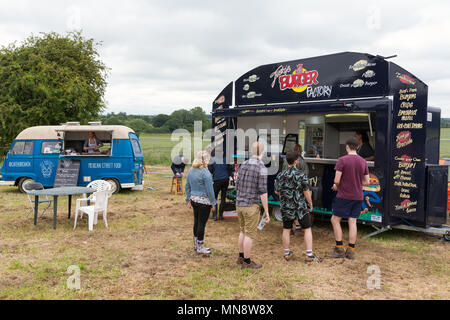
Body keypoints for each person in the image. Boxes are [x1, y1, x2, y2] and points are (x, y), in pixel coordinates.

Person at [275, 152, 321, 263]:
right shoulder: (301, 175)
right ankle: (309, 255)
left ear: (286, 161)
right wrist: (310, 202)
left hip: (286, 206)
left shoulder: (280, 175)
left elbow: (277, 191)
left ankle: (286, 253)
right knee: (307, 228)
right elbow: (306, 191)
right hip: (300, 207)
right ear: (296, 161)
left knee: (286, 229)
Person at [331, 137, 370, 260]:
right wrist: (356, 183)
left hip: (344, 195)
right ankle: (351, 251)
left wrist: (336, 185)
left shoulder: (342, 160)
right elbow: (367, 181)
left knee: (335, 220)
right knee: (352, 221)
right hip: (358, 196)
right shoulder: (363, 161)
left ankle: (339, 248)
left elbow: (337, 180)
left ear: (347, 146)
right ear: (357, 147)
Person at [235, 142, 270, 269]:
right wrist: (266, 211)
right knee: (249, 234)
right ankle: (247, 261)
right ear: (262, 152)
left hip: (240, 203)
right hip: (251, 205)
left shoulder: (243, 164)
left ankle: (240, 256)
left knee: (243, 231)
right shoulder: (261, 167)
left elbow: (237, 184)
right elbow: (263, 192)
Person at [185, 151, 217, 255]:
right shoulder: (205, 173)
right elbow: (210, 190)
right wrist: (213, 202)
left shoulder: (191, 170)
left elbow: (187, 186)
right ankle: (200, 247)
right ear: (205, 160)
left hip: (194, 200)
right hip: (204, 202)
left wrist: (188, 199)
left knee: (196, 222)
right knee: (201, 224)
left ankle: (196, 245)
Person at [282, 144, 309, 235]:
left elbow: (282, 174)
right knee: (298, 210)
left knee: (288, 211)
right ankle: (297, 228)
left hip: (286, 192)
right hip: (297, 191)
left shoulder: (286, 161)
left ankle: (288, 230)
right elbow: (305, 176)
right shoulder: (302, 161)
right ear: (300, 151)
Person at [208, 150, 234, 221]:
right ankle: (220, 216)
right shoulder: (226, 159)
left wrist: (215, 172)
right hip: (225, 180)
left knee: (214, 198)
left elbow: (210, 169)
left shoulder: (212, 160)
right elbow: (231, 169)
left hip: (217, 180)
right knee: (223, 198)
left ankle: (214, 215)